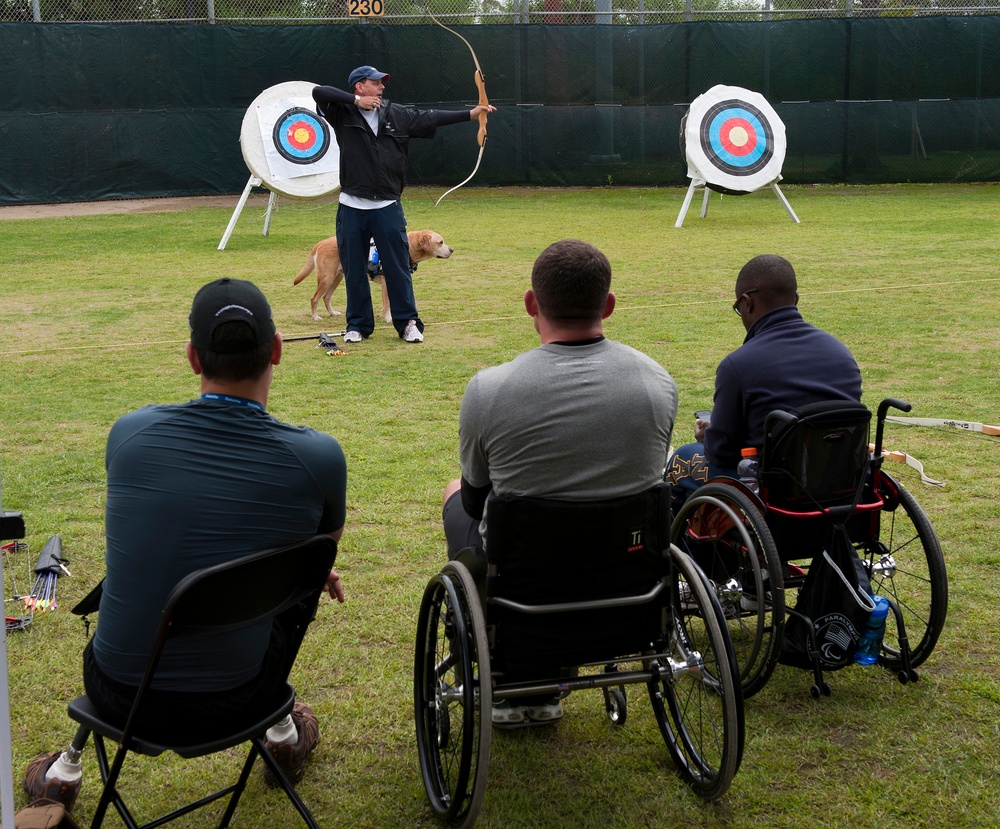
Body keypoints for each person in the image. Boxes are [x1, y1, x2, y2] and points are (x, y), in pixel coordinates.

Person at [24, 278, 348, 809]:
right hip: (241, 701)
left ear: (193, 358)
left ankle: (64, 771)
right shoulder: (319, 459)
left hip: (119, 697)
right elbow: (319, 559)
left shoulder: (128, 436)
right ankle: (285, 736)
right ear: (278, 350)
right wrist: (294, 571)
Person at [442, 239, 678, 725]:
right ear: (608, 306)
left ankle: (507, 667)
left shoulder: (489, 389)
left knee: (453, 495)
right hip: (629, 583)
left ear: (532, 303)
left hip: (526, 591)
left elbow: (474, 497)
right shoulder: (656, 381)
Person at [313, 66, 495, 344]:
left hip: (387, 206)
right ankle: (358, 326)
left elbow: (431, 117)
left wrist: (473, 114)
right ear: (359, 87)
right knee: (354, 269)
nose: (381, 87)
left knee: (398, 267)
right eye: (375, 83)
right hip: (352, 206)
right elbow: (318, 91)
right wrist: (354, 103)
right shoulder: (342, 112)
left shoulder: (396, 113)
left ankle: (407, 323)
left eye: (381, 83)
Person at [665, 253, 862, 507]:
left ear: (747, 303)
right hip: (836, 481)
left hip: (771, 493)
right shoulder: (842, 353)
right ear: (796, 300)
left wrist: (708, 434)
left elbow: (720, 453)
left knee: (681, 459)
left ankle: (688, 544)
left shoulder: (738, 365)